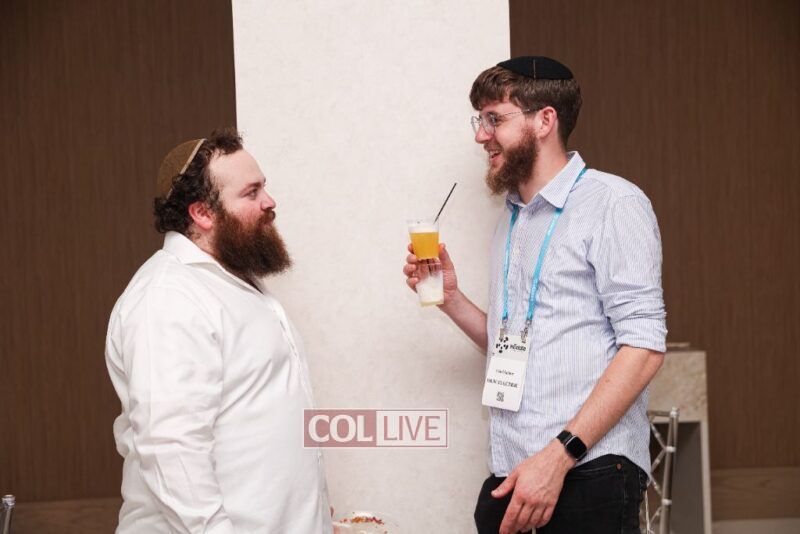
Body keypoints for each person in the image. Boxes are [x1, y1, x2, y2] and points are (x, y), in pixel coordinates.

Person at [403, 57, 667, 534]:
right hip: (514, 472)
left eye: (494, 119)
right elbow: (514, 344)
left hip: (587, 470)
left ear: (545, 120)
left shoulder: (614, 203)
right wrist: (451, 299)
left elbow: (644, 347)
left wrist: (560, 455)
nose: (481, 136)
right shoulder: (512, 218)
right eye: (479, 120)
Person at [105, 128, 332, 533]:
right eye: (251, 192)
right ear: (203, 214)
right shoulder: (168, 298)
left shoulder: (233, 281)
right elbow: (171, 447)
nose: (269, 201)